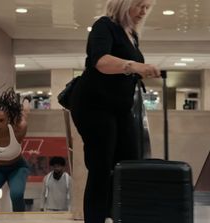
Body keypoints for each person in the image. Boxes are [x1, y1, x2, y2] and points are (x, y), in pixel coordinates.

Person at [69, 0, 160, 222]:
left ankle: (119, 214)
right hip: (94, 105)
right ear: (123, 3)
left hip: (119, 108)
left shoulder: (132, 34)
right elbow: (100, 61)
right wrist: (134, 66)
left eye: (147, 7)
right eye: (140, 5)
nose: (143, 11)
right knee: (101, 166)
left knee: (129, 161)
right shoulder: (104, 26)